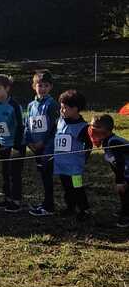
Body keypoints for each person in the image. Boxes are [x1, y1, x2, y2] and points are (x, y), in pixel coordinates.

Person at [53, 89, 92, 221]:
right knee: (67, 187)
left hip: (74, 168)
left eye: (65, 108)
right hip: (62, 165)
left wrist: (83, 158)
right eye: (61, 107)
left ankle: (84, 209)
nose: (62, 110)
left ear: (75, 109)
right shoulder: (60, 121)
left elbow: (89, 145)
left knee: (77, 187)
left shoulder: (83, 127)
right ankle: (70, 207)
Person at [0, 75, 25, 212]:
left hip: (16, 145)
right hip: (3, 143)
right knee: (5, 172)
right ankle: (7, 198)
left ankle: (16, 201)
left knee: (14, 174)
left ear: (7, 89)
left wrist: (16, 147)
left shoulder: (14, 106)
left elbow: (20, 127)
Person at [26, 69, 58, 218]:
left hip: (47, 147)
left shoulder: (52, 104)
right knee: (42, 175)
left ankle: (49, 206)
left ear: (50, 87)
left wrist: (43, 143)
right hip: (35, 147)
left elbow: (53, 127)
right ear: (34, 86)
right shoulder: (31, 105)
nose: (43, 88)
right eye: (40, 85)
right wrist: (29, 141)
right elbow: (28, 124)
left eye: (46, 85)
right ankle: (45, 203)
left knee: (47, 176)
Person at [90, 114, 129, 227]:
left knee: (125, 192)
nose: (91, 130)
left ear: (105, 130)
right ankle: (125, 210)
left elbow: (120, 162)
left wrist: (120, 181)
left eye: (94, 127)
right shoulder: (106, 142)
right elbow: (114, 164)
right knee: (123, 192)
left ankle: (126, 216)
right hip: (126, 172)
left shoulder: (113, 142)